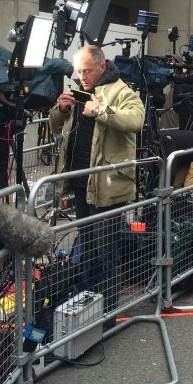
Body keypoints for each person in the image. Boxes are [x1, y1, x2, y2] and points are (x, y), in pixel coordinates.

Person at [50, 45, 145, 313]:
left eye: (88, 70)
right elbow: (55, 125)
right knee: (88, 248)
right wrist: (60, 108)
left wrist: (99, 111)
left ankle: (109, 313)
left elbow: (137, 120)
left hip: (109, 186)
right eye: (79, 71)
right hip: (81, 183)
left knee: (107, 253)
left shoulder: (122, 91)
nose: (83, 76)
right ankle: (87, 309)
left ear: (102, 67)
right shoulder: (79, 91)